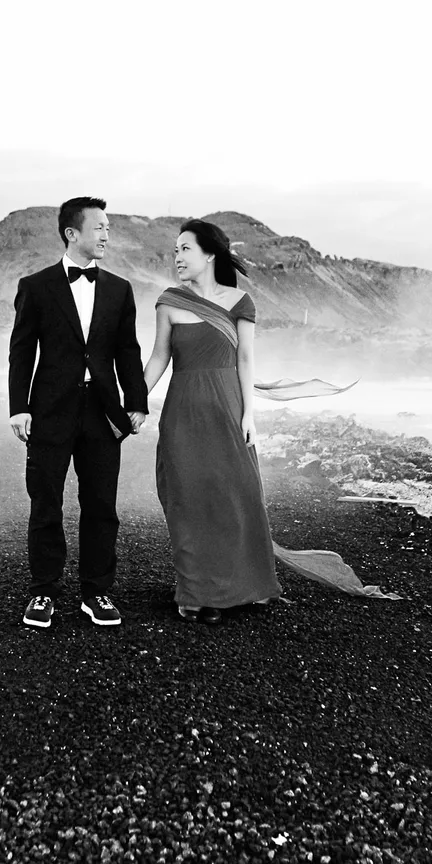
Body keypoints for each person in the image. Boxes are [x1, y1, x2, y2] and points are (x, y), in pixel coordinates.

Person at [8, 196, 148, 629]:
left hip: (103, 413)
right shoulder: (36, 286)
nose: (106, 234)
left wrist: (137, 402)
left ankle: (97, 593)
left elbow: (128, 350)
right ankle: (44, 593)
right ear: (73, 233)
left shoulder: (120, 290)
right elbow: (21, 352)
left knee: (101, 504)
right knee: (46, 502)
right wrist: (18, 409)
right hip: (50, 411)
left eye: (109, 228)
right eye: (100, 227)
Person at [143, 219, 280, 623]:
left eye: (185, 249)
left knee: (234, 499)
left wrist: (250, 415)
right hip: (183, 415)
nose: (177, 257)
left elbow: (245, 360)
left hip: (227, 411)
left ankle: (235, 588)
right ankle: (195, 593)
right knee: (188, 502)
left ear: (209, 255)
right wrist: (129, 402)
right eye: (174, 251)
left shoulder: (240, 302)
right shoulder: (169, 301)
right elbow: (158, 359)